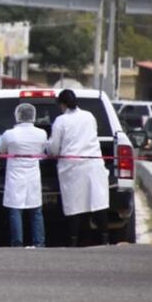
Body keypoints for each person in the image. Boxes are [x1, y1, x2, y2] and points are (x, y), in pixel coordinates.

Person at [47, 89, 110, 247]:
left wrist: (46, 147)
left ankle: (73, 241)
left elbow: (54, 149)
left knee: (75, 205)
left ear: (62, 104)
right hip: (94, 164)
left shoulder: (61, 121)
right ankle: (105, 239)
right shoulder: (89, 116)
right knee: (98, 202)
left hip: (73, 168)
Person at [0, 103, 48, 248]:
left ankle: (17, 243)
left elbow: (1, 149)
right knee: (36, 210)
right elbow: (43, 150)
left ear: (17, 115)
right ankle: (39, 243)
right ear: (33, 116)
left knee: (15, 209)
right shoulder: (41, 133)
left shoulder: (9, 134)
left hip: (15, 175)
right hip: (33, 175)